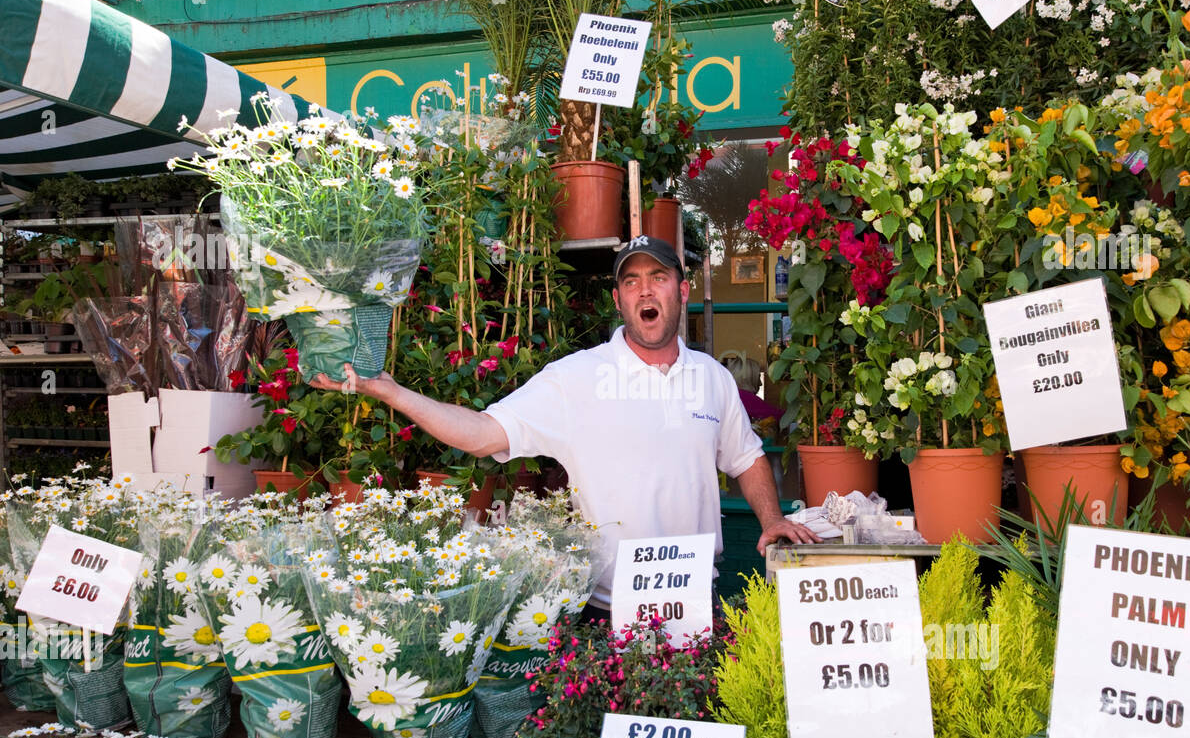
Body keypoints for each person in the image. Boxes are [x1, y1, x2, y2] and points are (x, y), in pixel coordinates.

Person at [309, 235, 819, 613]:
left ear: (682, 291)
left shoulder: (711, 378)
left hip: (695, 599)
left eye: (658, 278)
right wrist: (393, 392)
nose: (646, 291)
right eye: (631, 280)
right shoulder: (575, 378)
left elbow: (746, 457)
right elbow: (485, 434)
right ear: (619, 299)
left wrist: (772, 518)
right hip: (609, 607)